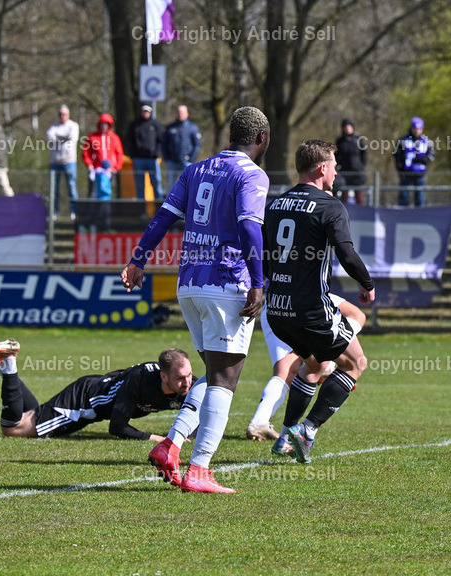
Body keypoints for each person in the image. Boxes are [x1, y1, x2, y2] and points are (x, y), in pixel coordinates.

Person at [125, 106, 270, 494]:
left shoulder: (196, 169)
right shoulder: (252, 174)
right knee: (226, 378)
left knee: (214, 371)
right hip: (226, 283)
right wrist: (257, 282)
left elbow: (163, 217)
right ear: (262, 139)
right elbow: (250, 229)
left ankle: (170, 445)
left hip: (189, 282)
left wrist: (138, 260)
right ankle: (200, 469)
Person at [264, 139, 376, 464]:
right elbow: (347, 254)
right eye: (334, 167)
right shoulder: (330, 206)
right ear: (322, 168)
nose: (336, 173)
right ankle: (307, 430)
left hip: (277, 310)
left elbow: (263, 257)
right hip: (311, 310)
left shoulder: (276, 204)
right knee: (355, 363)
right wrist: (367, 284)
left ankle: (285, 437)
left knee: (313, 367)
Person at [0, 339, 196, 440]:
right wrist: (157, 438)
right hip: (81, 403)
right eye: (179, 379)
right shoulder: (140, 381)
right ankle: (9, 364)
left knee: (34, 413)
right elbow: (117, 427)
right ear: (163, 376)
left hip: (91, 388)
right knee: (14, 429)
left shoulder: (189, 384)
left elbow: (203, 411)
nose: (186, 383)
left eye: (188, 376)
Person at [246, 296, 364, 445]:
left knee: (286, 371)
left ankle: (261, 422)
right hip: (308, 298)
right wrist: (367, 285)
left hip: (275, 303)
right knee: (357, 316)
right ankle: (326, 361)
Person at [82, 113, 123, 221]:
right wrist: (89, 164)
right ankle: (91, 220)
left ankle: (106, 220)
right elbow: (85, 153)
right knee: (93, 194)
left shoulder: (114, 138)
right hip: (96, 172)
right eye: (102, 124)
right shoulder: (92, 137)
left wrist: (115, 168)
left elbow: (119, 154)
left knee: (106, 194)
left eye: (106, 124)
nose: (104, 126)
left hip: (109, 173)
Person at [124, 104, 163, 209]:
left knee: (156, 184)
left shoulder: (155, 124)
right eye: (144, 111)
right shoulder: (135, 124)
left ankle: (159, 210)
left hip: (152, 160)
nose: (145, 113)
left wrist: (157, 154)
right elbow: (129, 140)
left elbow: (160, 141)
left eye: (147, 111)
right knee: (140, 186)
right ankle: (141, 211)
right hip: (138, 160)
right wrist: (133, 155)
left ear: (150, 112)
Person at [47, 105, 80, 218]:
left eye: (64, 114)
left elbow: (72, 139)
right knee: (54, 188)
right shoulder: (53, 127)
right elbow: (51, 139)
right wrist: (64, 138)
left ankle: (74, 211)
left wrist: (59, 138)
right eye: (60, 114)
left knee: (72, 186)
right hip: (55, 162)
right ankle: (55, 212)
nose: (62, 116)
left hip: (69, 161)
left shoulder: (73, 126)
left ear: (68, 115)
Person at [162, 105, 201, 197]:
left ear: (187, 114)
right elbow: (164, 144)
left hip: (186, 162)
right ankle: (170, 204)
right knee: (170, 186)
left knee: (187, 186)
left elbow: (197, 145)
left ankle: (186, 204)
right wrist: (167, 158)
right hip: (172, 162)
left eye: (182, 112)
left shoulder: (192, 127)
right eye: (179, 112)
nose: (180, 114)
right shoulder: (170, 127)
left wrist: (191, 158)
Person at [394, 117, 434, 207]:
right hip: (406, 173)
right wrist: (400, 169)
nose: (416, 131)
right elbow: (397, 156)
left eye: (419, 129)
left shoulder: (427, 141)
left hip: (420, 174)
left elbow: (431, 155)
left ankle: (419, 213)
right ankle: (402, 212)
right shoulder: (402, 141)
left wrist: (421, 160)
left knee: (419, 195)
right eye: (415, 128)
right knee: (404, 195)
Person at [334, 118, 367, 204]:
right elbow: (336, 155)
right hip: (345, 171)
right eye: (345, 127)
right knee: (344, 194)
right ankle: (343, 210)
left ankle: (361, 210)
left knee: (359, 194)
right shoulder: (340, 141)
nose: (347, 128)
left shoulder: (358, 139)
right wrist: (338, 166)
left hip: (357, 171)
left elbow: (364, 154)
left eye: (349, 126)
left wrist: (361, 165)